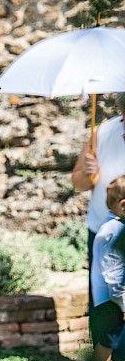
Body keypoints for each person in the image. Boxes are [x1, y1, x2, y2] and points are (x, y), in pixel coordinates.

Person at [72, 94, 125, 282]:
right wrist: (87, 172)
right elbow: (79, 183)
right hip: (104, 233)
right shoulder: (103, 132)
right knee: (104, 306)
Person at [90, 175, 125, 361]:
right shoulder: (113, 232)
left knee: (106, 344)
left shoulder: (114, 226)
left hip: (114, 300)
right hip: (111, 302)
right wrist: (123, 304)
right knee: (105, 345)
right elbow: (114, 275)